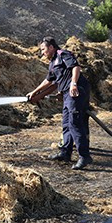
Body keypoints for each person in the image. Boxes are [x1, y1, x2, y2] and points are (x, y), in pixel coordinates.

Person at [27, 37, 93, 170]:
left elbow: (75, 67)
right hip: (67, 94)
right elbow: (51, 83)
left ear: (51, 47)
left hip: (76, 92)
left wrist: (73, 84)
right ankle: (65, 153)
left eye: (43, 49)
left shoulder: (63, 54)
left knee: (75, 123)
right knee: (66, 124)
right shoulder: (52, 63)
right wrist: (35, 94)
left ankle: (85, 156)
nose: (42, 53)